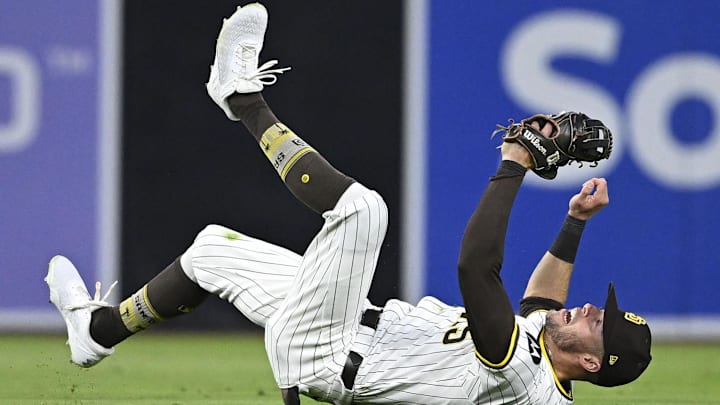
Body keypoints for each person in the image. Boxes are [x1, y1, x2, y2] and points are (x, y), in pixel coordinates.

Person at [45, 3, 652, 404]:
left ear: (593, 365)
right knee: (212, 249)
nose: (592, 309)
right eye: (604, 308)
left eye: (601, 322)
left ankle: (241, 99)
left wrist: (515, 160)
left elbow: (476, 268)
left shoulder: (523, 377)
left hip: (330, 353)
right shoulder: (544, 350)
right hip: (342, 325)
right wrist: (572, 223)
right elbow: (539, 303)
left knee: (365, 211)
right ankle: (96, 332)